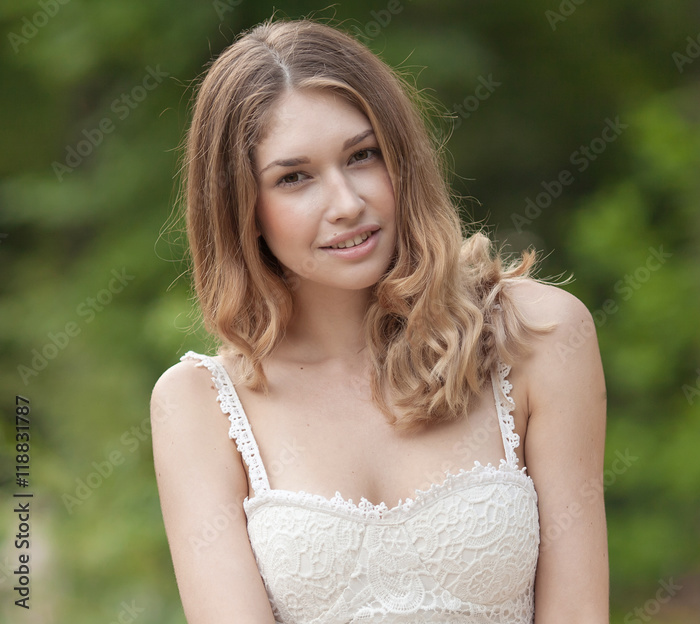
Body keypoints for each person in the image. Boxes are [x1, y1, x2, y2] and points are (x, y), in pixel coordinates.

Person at [150, 17, 608, 624]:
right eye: (294, 177)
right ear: (242, 208)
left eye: (362, 156)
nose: (346, 204)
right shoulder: (198, 405)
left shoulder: (537, 337)